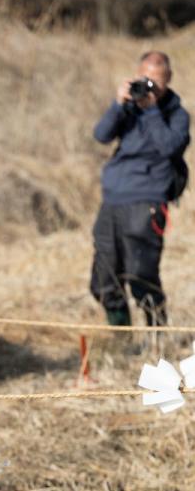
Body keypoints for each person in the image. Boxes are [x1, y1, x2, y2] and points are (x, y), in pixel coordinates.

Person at [90, 51, 190, 327]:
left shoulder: (176, 114)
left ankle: (157, 336)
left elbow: (170, 146)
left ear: (168, 80)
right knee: (103, 279)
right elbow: (101, 135)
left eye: (156, 81)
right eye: (145, 79)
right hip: (113, 199)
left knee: (141, 276)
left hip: (148, 200)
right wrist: (118, 103)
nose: (149, 87)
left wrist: (153, 110)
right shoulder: (128, 107)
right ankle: (121, 336)